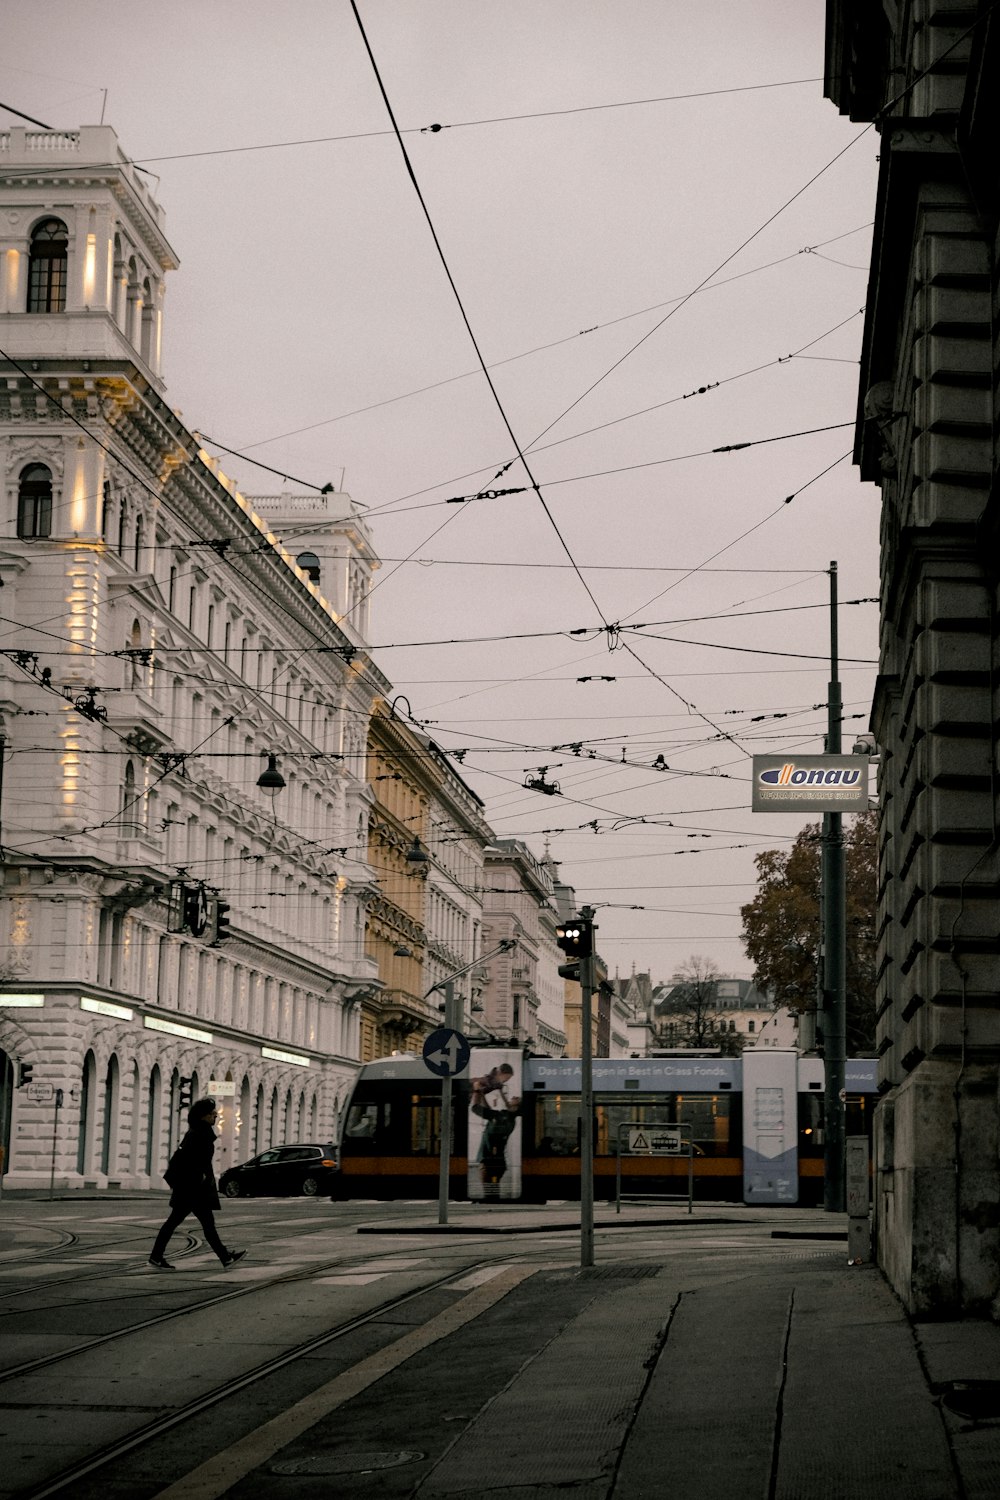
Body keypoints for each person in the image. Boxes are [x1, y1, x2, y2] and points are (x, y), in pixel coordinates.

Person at [149, 1098, 247, 1270]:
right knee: (198, 1224)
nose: (216, 1114)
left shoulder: (199, 1132)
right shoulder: (198, 1134)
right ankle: (225, 1258)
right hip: (193, 1190)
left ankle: (225, 1258)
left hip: (191, 1189)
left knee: (191, 1223)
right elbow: (191, 1162)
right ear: (203, 1116)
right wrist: (200, 1178)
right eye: (211, 1113)